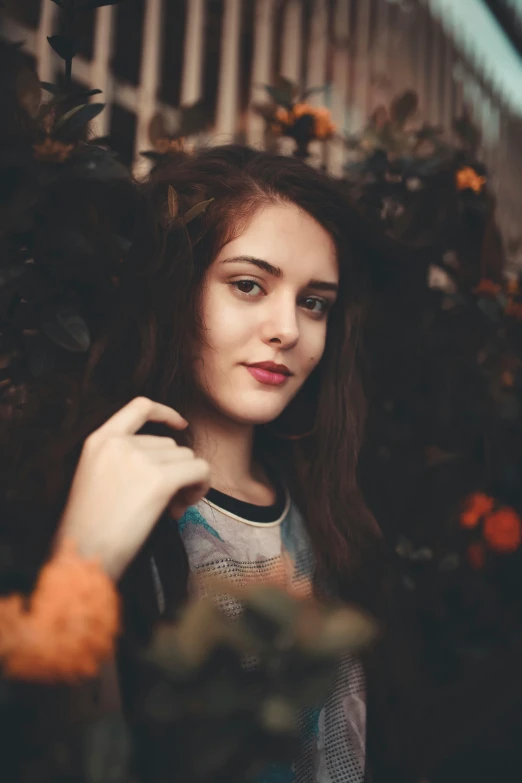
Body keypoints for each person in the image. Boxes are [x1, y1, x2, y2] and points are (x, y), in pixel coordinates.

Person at [8, 145, 387, 782]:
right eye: (248, 285)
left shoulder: (330, 504)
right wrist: (83, 560)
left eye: (314, 302)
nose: (287, 329)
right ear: (177, 290)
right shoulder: (84, 491)